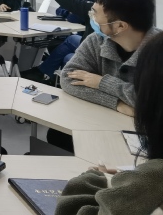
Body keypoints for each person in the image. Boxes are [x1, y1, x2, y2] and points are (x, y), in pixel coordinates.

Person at [55, 33, 163, 215]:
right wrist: (129, 180)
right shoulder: (96, 40)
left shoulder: (153, 178)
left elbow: (70, 210)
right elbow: (68, 78)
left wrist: (94, 180)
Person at [22, 0, 137, 86]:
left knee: (68, 58)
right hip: (99, 53)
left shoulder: (98, 13)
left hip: (102, 60)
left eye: (94, 13)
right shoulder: (134, 11)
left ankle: (49, 76)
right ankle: (44, 73)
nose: (93, 13)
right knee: (70, 41)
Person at [61, 0, 159, 115]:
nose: (92, 17)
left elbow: (153, 101)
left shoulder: (158, 50)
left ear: (120, 26)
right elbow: (67, 78)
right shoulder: (96, 41)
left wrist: (102, 83)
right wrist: (117, 104)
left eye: (95, 13)